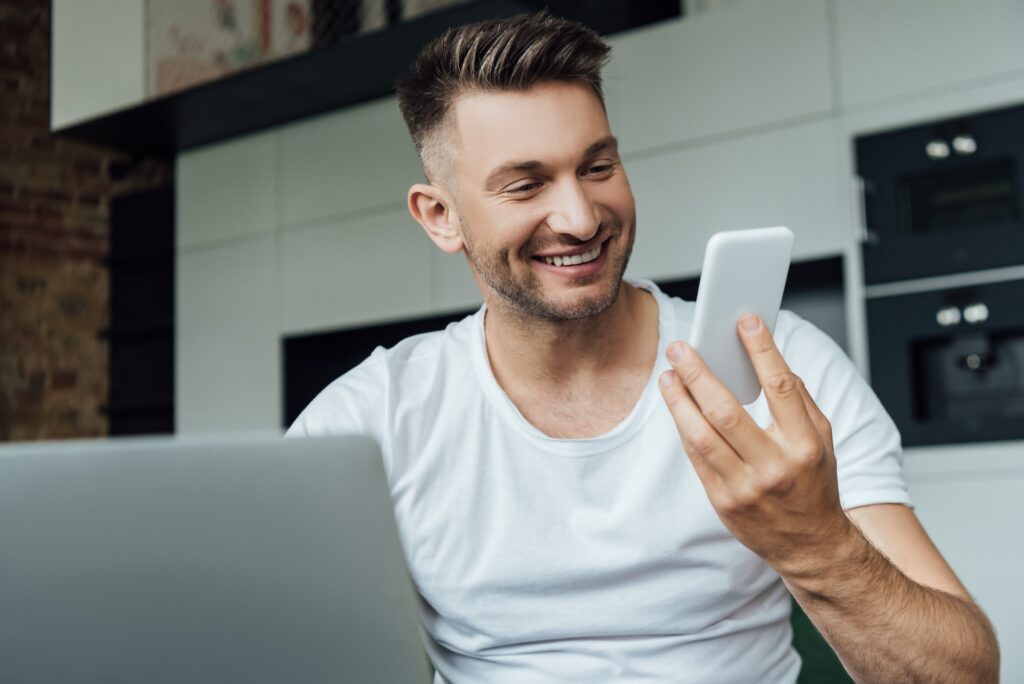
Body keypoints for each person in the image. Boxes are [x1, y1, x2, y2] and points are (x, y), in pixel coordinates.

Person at [287, 12, 999, 683]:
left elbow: (965, 674)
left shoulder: (781, 364)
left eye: (597, 167)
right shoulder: (369, 419)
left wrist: (817, 546)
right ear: (441, 216)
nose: (579, 218)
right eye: (526, 185)